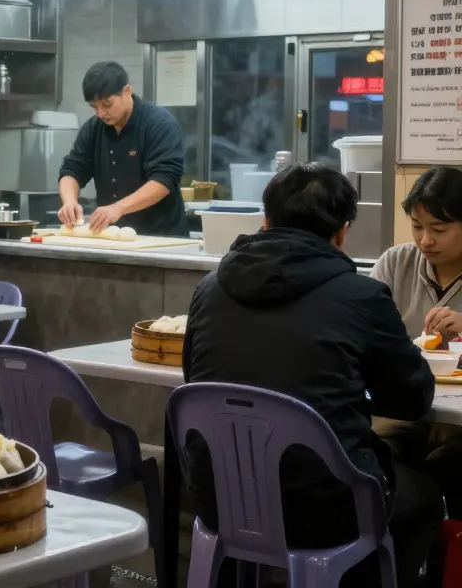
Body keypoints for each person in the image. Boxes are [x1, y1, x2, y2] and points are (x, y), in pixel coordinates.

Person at [183, 163, 440, 587]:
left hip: (219, 498)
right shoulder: (361, 296)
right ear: (342, 232)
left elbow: (194, 378)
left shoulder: (209, 289)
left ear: (265, 222)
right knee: (425, 496)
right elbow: (412, 400)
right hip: (324, 512)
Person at [372, 166, 462, 517]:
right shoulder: (395, 263)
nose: (425, 240)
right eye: (417, 227)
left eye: (439, 229)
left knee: (448, 465)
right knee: (374, 451)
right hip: (405, 409)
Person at [57, 61, 186, 237]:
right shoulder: (94, 128)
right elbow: (72, 169)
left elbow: (164, 180)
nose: (101, 114)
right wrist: (70, 202)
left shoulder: (159, 123)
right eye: (94, 107)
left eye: (107, 105)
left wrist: (119, 208)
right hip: (113, 239)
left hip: (161, 237)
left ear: (127, 91)